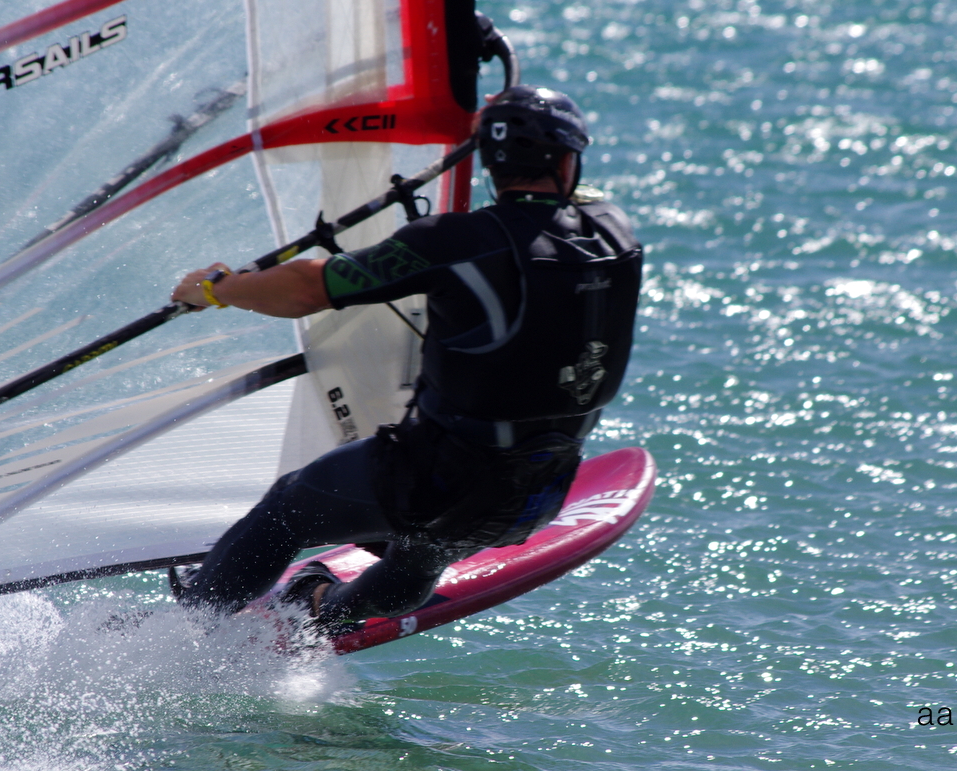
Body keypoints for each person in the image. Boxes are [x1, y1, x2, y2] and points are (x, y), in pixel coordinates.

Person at [166, 86, 642, 632]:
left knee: (289, 509)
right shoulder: (616, 230)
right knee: (422, 555)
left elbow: (306, 287)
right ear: (566, 162)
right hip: (536, 495)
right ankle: (325, 610)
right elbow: (563, 212)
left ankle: (185, 630)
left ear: (492, 162)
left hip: (433, 481)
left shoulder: (455, 242)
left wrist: (221, 288)